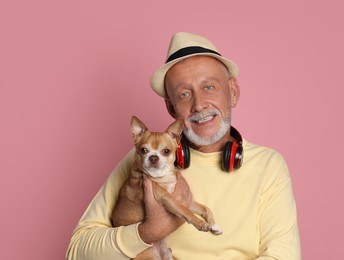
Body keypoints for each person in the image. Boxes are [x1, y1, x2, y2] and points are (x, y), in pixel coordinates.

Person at [66, 32, 301, 260]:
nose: (199, 105)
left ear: (233, 92)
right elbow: (77, 251)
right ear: (171, 109)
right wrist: (148, 232)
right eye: (184, 94)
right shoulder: (142, 160)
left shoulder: (269, 165)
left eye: (209, 87)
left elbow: (283, 256)